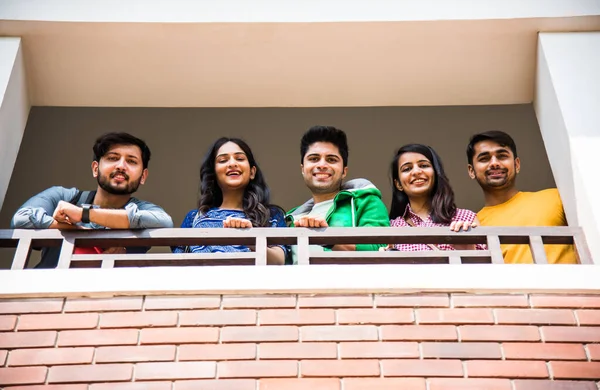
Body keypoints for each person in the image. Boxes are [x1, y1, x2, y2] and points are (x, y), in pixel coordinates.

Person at [11, 132, 174, 268]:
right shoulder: (63, 196)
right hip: (48, 295)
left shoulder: (143, 208)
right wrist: (83, 233)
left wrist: (83, 214)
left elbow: (164, 222)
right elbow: (21, 218)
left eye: (131, 161)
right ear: (96, 169)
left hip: (111, 301)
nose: (121, 166)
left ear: (143, 176)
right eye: (112, 158)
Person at [172, 137, 287, 265]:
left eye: (239, 159)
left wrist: (251, 240)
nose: (232, 164)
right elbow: (180, 264)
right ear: (214, 174)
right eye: (223, 160)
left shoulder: (271, 215)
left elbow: (279, 261)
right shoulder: (194, 217)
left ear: (252, 172)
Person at [466, 130, 576, 264]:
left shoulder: (555, 197)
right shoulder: (475, 224)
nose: (494, 163)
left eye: (502, 156)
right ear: (471, 171)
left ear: (517, 164)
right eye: (484, 158)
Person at [286, 126, 390, 264]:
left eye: (331, 160)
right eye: (314, 158)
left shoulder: (365, 200)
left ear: (344, 171)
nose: (322, 165)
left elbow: (379, 247)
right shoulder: (291, 220)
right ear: (303, 169)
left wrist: (327, 238)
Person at [386, 143, 484, 251]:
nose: (416, 172)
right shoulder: (391, 228)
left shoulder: (466, 218)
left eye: (424, 165)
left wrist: (467, 250)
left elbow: (489, 266)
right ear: (398, 184)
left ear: (436, 174)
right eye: (407, 169)